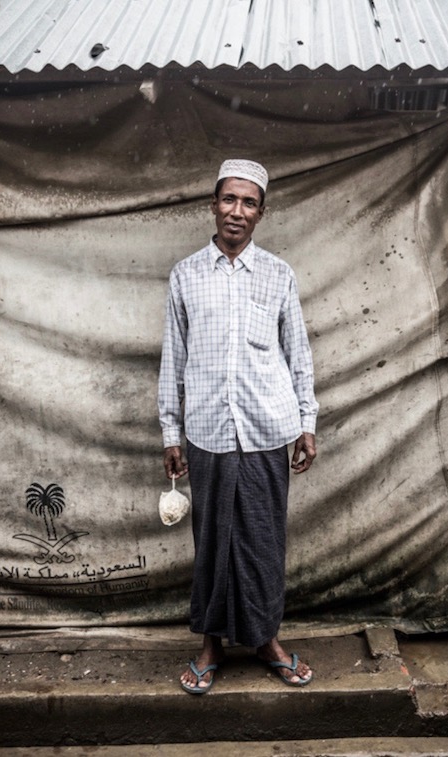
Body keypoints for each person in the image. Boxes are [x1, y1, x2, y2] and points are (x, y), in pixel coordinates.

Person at [158, 159, 318, 694]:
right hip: (206, 432)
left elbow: (298, 354)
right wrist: (170, 433)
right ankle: (210, 644)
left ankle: (267, 639)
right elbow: (172, 361)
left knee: (263, 541)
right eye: (230, 199)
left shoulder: (278, 274)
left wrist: (307, 422)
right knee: (212, 541)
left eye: (249, 203)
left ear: (261, 213)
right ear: (213, 204)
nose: (237, 211)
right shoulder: (186, 274)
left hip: (268, 429)